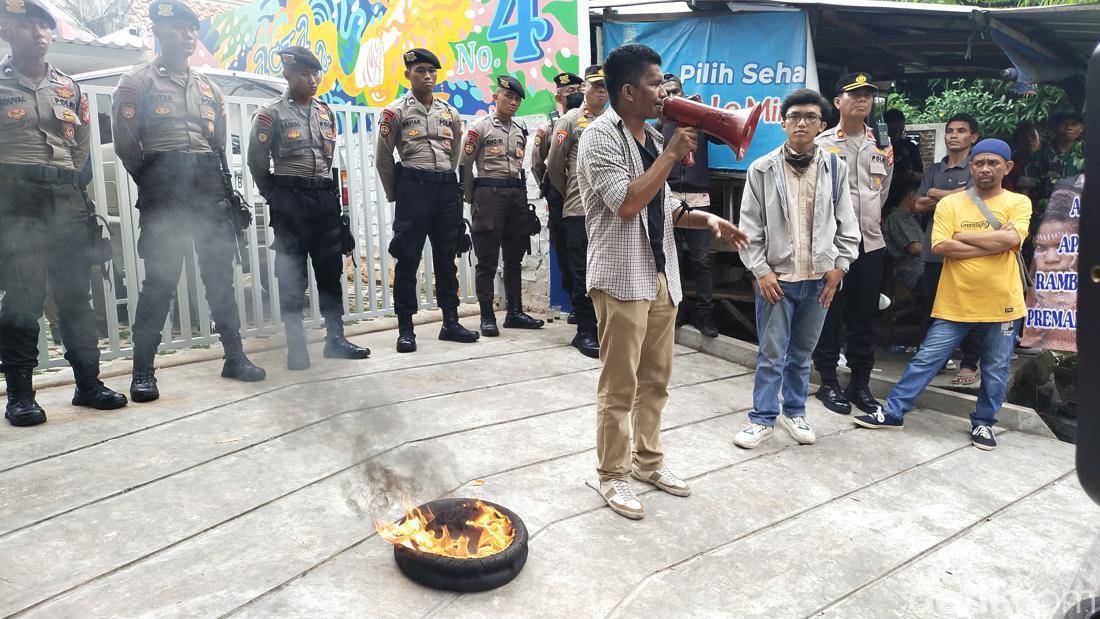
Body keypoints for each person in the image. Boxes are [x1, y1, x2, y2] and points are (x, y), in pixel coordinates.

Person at [576, 43, 749, 520]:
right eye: (654, 83)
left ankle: (647, 462)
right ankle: (611, 475)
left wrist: (708, 220)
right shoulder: (599, 138)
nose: (664, 92)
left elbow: (665, 206)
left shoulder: (652, 137)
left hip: (659, 275)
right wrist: (672, 155)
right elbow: (628, 203)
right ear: (628, 90)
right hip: (620, 278)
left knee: (655, 381)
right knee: (619, 386)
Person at [113, 0, 266, 403]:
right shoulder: (137, 83)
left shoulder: (208, 88)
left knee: (219, 276)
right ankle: (143, 372)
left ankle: (234, 357)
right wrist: (157, 181)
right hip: (165, 185)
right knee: (160, 281)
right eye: (178, 28)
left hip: (208, 183)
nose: (187, 36)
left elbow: (216, 144)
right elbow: (127, 145)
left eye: (191, 29)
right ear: (158, 32)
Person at [854, 139, 1031, 451]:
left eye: (993, 163)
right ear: (971, 166)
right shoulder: (950, 204)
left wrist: (964, 237)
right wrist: (994, 239)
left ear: (1008, 167)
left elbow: (1012, 241)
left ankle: (985, 423)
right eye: (979, 163)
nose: (985, 168)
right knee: (926, 359)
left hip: (1003, 303)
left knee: (996, 367)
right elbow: (939, 246)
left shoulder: (1018, 203)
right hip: (955, 301)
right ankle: (894, 412)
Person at [0, 0, 128, 426]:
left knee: (76, 296)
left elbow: (81, 147)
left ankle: (88, 385)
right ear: (6, 30)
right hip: (17, 201)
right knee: (23, 298)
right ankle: (20, 396)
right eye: (27, 25)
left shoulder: (69, 88)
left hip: (66, 197)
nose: (38, 33)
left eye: (44, 26)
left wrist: (68, 187)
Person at [732, 88, 860, 450]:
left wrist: (840, 266)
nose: (802, 123)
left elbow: (846, 222)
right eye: (794, 117)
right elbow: (749, 229)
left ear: (822, 124)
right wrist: (760, 271)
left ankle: (794, 411)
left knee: (803, 354)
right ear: (784, 123)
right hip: (778, 280)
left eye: (810, 117)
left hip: (819, 280)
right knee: (771, 354)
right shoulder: (762, 168)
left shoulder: (835, 166)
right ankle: (761, 419)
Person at [246, 46, 370, 370]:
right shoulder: (270, 114)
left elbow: (328, 160)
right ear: (287, 74)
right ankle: (296, 346)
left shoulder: (326, 112)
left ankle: (335, 339)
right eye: (304, 73)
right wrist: (274, 195)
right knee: (292, 276)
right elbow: (256, 161)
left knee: (330, 272)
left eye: (316, 74)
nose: (313, 80)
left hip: (324, 200)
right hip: (290, 200)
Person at [375, 48, 479, 353]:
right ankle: (406, 328)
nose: (428, 76)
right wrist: (398, 194)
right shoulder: (395, 112)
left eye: (432, 71)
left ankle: (450, 321)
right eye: (420, 70)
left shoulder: (450, 113)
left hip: (445, 189)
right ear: (408, 74)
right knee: (408, 258)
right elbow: (383, 159)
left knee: (448, 257)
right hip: (413, 187)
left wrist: (451, 184)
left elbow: (456, 151)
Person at [812, 72, 894, 416]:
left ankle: (859, 382)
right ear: (837, 102)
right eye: (855, 94)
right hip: (832, 246)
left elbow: (882, 191)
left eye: (868, 95)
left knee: (864, 316)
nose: (863, 100)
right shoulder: (823, 144)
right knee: (829, 313)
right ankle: (828, 381)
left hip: (870, 244)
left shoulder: (881, 146)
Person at [459, 75, 544, 336]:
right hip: (489, 194)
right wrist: (475, 198)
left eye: (517, 99)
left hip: (515, 196)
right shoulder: (479, 128)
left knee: (514, 258)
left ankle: (515, 312)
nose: (513, 102)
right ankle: (487, 316)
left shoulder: (520, 130)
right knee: (487, 259)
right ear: (495, 97)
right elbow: (464, 166)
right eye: (508, 97)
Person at [914, 113, 981, 386]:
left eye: (961, 131)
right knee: (931, 306)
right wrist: (958, 195)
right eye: (950, 130)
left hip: (966, 250)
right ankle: (936, 360)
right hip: (934, 249)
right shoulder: (934, 169)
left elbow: (975, 199)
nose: (953, 135)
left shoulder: (977, 168)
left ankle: (969, 362)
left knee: (968, 307)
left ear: (973, 137)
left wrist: (936, 194)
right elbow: (918, 204)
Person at [546, 65, 607, 358]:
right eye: (595, 85)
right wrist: (572, 194)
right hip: (578, 209)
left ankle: (603, 329)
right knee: (582, 273)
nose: (600, 91)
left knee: (604, 274)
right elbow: (554, 168)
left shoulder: (613, 121)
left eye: (605, 86)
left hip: (608, 211)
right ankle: (585, 331)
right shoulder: (570, 120)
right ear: (585, 89)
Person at [657, 73, 718, 338]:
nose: (673, 95)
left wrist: (706, 114)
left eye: (677, 90)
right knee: (673, 258)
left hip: (698, 198)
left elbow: (722, 137)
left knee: (701, 259)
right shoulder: (658, 125)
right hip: (668, 195)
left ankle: (706, 315)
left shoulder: (698, 121)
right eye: (668, 91)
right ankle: (678, 311)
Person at [532, 72, 584, 324]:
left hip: (584, 197)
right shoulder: (549, 127)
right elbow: (538, 165)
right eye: (570, 90)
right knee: (565, 250)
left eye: (578, 88)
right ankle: (576, 304)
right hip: (560, 197)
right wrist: (558, 190)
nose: (576, 93)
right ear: (558, 97)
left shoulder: (591, 121)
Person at [1021, 110, 1085, 217]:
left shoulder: (1089, 154)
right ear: (1054, 128)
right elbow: (1025, 189)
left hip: (1082, 216)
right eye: (1064, 124)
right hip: (1046, 216)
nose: (1069, 127)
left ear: (1082, 128)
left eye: (1074, 124)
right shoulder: (1040, 157)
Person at [883, 179, 924, 292]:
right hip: (913, 273)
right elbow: (914, 248)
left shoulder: (913, 217)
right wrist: (942, 250)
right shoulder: (897, 217)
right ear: (913, 195)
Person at [884, 108, 923, 184]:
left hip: (907, 191)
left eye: (900, 131)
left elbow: (922, 176)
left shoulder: (910, 147)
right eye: (892, 132)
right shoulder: (877, 147)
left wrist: (910, 174)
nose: (896, 135)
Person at [1004, 122, 1040, 192]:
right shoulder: (1009, 166)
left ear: (1039, 139)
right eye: (1024, 137)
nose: (1029, 139)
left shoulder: (1048, 161)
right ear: (1016, 142)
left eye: (1033, 136)